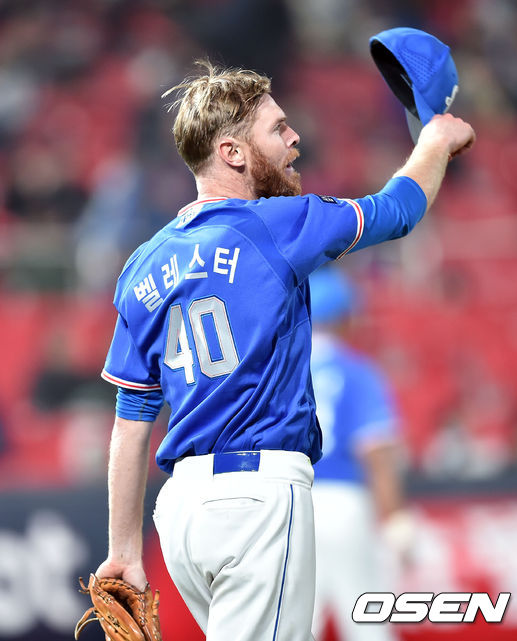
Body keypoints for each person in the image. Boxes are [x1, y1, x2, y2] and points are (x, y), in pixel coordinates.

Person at [94, 59, 475, 641]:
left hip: (180, 514)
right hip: (258, 495)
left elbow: (131, 419)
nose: (295, 137)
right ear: (232, 153)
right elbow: (398, 210)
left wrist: (123, 549)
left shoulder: (142, 265)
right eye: (277, 128)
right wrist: (437, 140)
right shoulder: (275, 225)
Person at [309, 267, 411, 641]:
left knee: (294, 624)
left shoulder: (279, 373)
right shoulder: (356, 371)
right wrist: (396, 521)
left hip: (289, 503)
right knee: (366, 619)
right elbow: (377, 453)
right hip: (344, 502)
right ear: (345, 318)